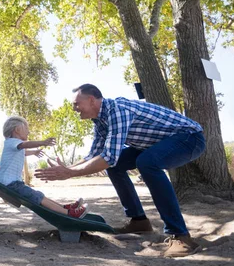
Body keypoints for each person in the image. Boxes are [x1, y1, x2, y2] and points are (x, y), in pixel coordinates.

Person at [34, 84, 206, 257]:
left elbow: (108, 157)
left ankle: (182, 237)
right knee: (116, 166)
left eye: (77, 104)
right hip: (154, 145)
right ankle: (139, 221)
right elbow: (95, 155)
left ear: (91, 100)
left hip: (189, 138)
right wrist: (66, 169)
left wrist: (70, 173)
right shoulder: (100, 121)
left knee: (146, 162)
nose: (74, 109)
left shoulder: (118, 111)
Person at [0, 116, 88, 218]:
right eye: (26, 129)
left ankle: (65, 208)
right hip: (10, 184)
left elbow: (23, 151)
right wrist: (43, 142)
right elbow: (26, 145)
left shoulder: (14, 145)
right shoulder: (12, 141)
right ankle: (69, 213)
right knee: (38, 197)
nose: (29, 132)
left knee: (39, 195)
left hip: (12, 183)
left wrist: (34, 152)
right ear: (17, 130)